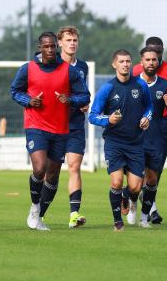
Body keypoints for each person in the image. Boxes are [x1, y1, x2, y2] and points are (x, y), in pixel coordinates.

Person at [10, 32, 90, 231]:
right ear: (40, 47)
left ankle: (39, 215)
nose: (50, 50)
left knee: (53, 175)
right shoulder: (27, 69)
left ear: (56, 47)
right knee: (39, 168)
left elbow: (85, 95)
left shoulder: (69, 71)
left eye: (53, 46)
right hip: (36, 126)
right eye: (46, 47)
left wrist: (69, 99)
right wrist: (28, 101)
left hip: (60, 129)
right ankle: (35, 208)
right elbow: (14, 91)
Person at [89, 49, 153, 232]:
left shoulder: (140, 85)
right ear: (114, 64)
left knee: (135, 187)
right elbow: (92, 116)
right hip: (114, 143)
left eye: (128, 61)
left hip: (136, 143)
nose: (125, 64)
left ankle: (126, 195)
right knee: (116, 182)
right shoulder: (107, 88)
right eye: (122, 61)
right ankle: (117, 221)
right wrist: (108, 120)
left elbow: (149, 107)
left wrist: (147, 118)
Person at [132, 36, 167, 224]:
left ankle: (149, 204)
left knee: (155, 170)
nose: (154, 54)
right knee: (134, 168)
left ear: (162, 51)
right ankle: (137, 199)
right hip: (137, 124)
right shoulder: (135, 71)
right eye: (151, 50)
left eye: (158, 51)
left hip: (162, 124)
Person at [125, 47, 167, 227]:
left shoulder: (165, 85)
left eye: (154, 60)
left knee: (152, 180)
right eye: (147, 60)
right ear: (141, 62)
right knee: (135, 184)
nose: (151, 63)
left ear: (158, 62)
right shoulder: (131, 84)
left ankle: (144, 217)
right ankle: (132, 203)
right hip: (135, 140)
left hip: (155, 139)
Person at [57, 26, 89, 228]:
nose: (72, 43)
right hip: (52, 125)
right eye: (68, 40)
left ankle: (74, 214)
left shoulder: (83, 67)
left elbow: (83, 92)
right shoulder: (51, 65)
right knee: (47, 172)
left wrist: (84, 102)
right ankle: (38, 211)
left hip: (75, 124)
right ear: (59, 42)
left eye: (75, 40)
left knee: (74, 167)